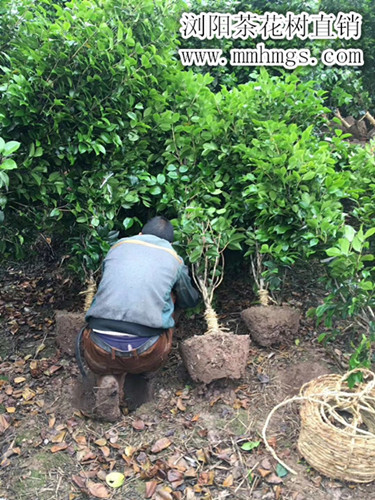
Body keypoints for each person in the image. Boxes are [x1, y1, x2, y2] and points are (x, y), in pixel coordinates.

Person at [81, 216, 200, 421]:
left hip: (97, 345)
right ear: (169, 243)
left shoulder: (118, 246)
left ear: (140, 234)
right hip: (146, 350)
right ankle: (139, 378)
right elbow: (189, 299)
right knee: (170, 297)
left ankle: (109, 378)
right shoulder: (174, 258)